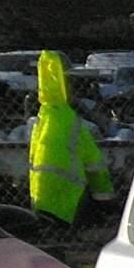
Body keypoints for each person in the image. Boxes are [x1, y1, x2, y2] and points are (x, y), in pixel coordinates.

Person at [27, 49, 117, 226]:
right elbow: (95, 167)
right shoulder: (72, 122)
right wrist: (108, 201)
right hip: (68, 202)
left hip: (40, 200)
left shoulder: (42, 118)